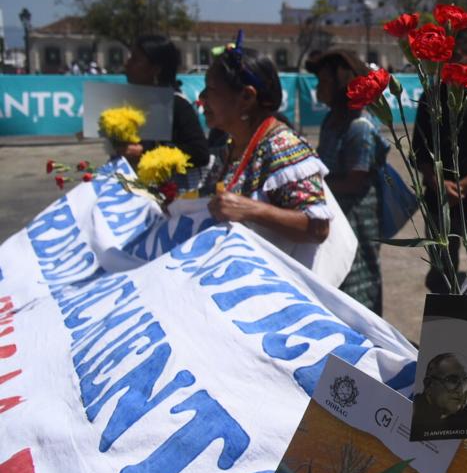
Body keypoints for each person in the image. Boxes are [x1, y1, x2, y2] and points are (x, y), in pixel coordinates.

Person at [199, 45, 332, 250]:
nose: (202, 98)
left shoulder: (283, 147)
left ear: (246, 98)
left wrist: (251, 209)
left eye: (211, 89)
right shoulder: (232, 146)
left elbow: (318, 227)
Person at [413, 28, 467, 293]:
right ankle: (447, 334)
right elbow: (419, 148)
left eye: (459, 60)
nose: (451, 67)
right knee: (442, 274)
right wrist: (438, 183)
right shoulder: (431, 96)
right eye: (448, 61)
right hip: (440, 202)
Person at [308, 48, 387, 314]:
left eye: (323, 82)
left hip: (356, 224)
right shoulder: (332, 120)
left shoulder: (359, 127)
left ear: (342, 83)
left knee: (358, 293)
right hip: (335, 218)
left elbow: (355, 182)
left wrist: (314, 186)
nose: (318, 88)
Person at [123, 34, 210, 188]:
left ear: (156, 69)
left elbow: (200, 153)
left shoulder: (177, 104)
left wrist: (146, 151)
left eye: (135, 59)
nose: (127, 64)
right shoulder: (135, 103)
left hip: (172, 197)